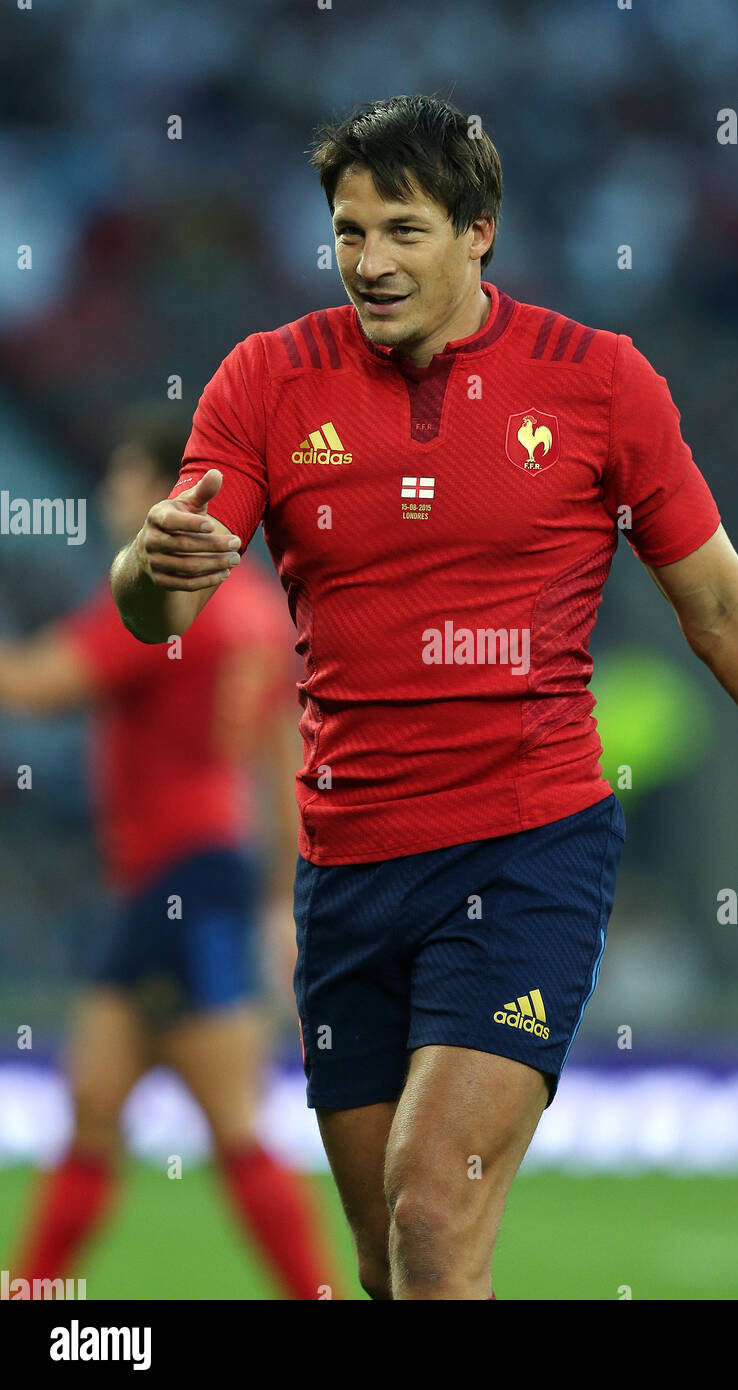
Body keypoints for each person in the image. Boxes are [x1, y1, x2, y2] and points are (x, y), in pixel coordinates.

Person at [109, 96, 738, 1301]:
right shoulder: (267, 380)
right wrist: (146, 570)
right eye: (349, 230)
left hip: (526, 851)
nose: (369, 262)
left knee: (432, 1213)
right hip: (348, 869)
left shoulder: (600, 384)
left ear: (480, 232)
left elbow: (725, 609)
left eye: (404, 230)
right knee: (389, 1257)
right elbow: (159, 607)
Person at [1, 408, 338, 1299]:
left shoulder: (161, 593)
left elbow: (33, 687)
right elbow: (283, 768)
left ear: (163, 491)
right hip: (211, 874)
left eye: (118, 477)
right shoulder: (261, 612)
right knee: (101, 1106)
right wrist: (276, 900)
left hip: (171, 880)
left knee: (218, 1121)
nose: (108, 494)